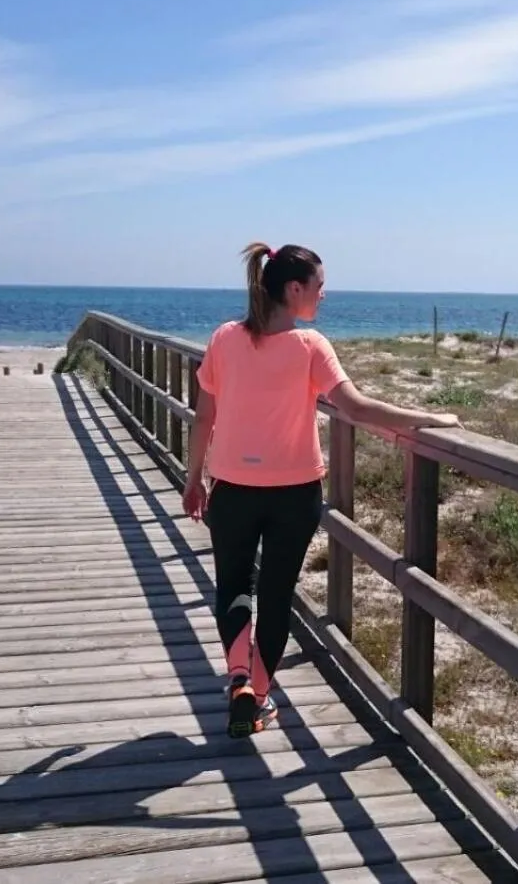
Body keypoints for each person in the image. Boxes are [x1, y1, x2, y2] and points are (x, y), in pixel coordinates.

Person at [183, 241, 461, 738]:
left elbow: (205, 415)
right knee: (276, 593)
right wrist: (429, 419)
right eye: (319, 287)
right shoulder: (311, 346)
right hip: (294, 494)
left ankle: (240, 681)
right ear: (294, 289)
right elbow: (356, 408)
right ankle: (262, 697)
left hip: (232, 489)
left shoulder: (225, 338)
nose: (324, 296)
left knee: (234, 586)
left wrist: (193, 479)